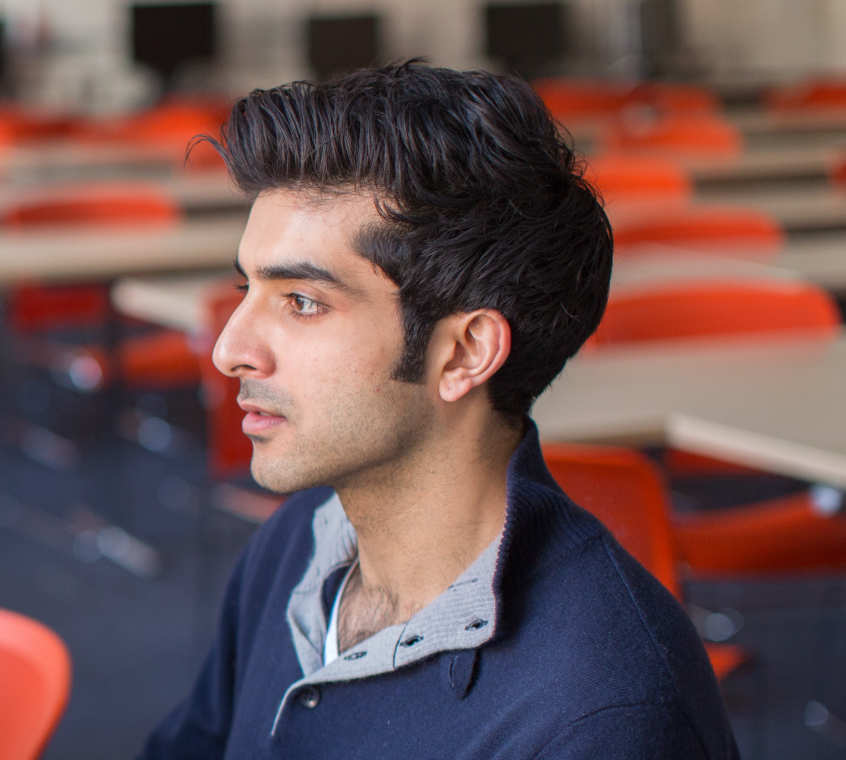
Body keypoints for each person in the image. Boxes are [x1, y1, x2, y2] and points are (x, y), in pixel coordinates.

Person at [141, 63, 736, 758]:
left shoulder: (603, 716)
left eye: (301, 302)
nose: (228, 351)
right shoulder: (300, 545)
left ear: (463, 355)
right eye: (247, 289)